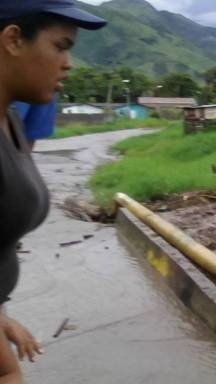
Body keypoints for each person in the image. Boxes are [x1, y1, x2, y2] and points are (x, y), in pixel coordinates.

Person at [0, 2, 106, 382]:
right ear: (13, 40)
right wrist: (7, 369)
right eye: (60, 46)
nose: (69, 63)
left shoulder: (11, 119)